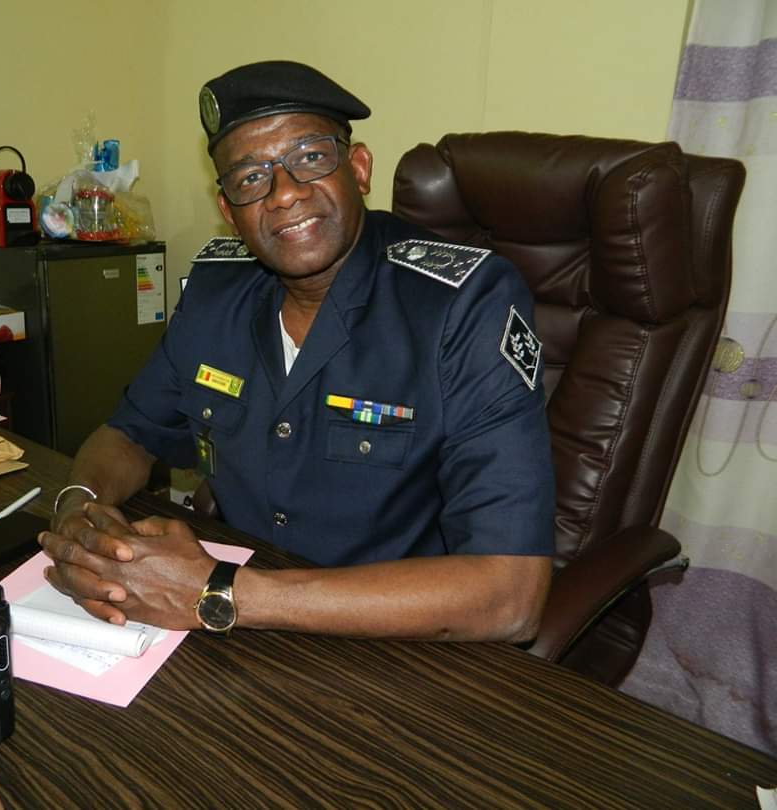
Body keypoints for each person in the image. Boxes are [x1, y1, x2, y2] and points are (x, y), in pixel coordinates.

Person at [40, 60, 555, 642]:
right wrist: (79, 509)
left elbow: (510, 595)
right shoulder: (215, 291)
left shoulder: (464, 305)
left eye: (310, 158)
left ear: (358, 168)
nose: (283, 194)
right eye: (250, 177)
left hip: (401, 645)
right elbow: (131, 432)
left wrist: (220, 591)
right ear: (228, 207)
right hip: (239, 627)